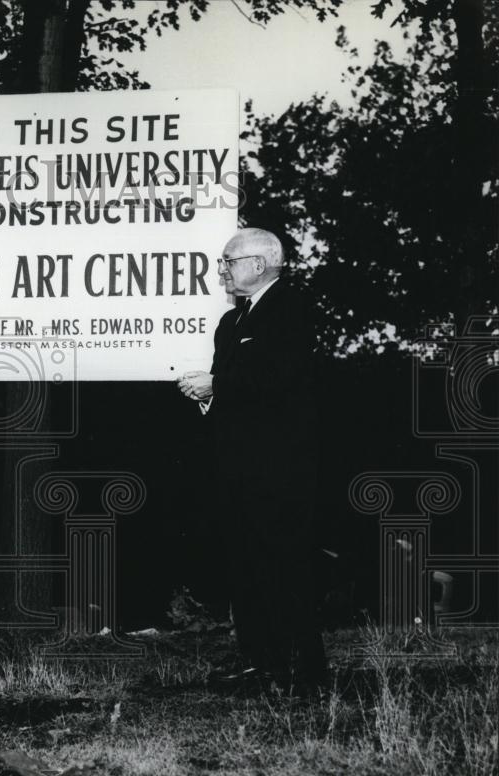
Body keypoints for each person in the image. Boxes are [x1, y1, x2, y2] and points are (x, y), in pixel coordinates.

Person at [178, 227, 327, 691]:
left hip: (281, 472)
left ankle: (306, 673)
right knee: (244, 569)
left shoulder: (292, 309)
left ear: (259, 265)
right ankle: (263, 665)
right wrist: (207, 395)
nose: (220, 269)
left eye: (228, 261)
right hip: (238, 471)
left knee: (285, 568)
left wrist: (216, 386)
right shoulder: (231, 323)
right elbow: (236, 393)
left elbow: (283, 379)